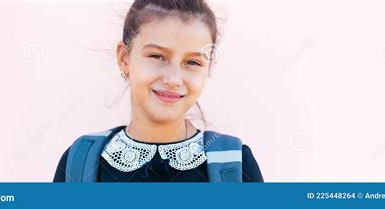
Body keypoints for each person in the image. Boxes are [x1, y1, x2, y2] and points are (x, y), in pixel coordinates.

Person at [54, 0, 263, 183]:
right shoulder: (80, 163)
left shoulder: (235, 166)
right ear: (124, 58)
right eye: (157, 57)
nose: (173, 80)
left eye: (192, 62)